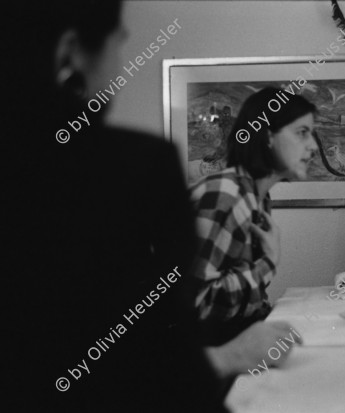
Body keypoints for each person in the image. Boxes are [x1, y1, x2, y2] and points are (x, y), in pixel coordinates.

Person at [2, 2, 299, 412]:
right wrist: (235, 350)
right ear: (70, 51)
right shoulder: (137, 167)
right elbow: (159, 351)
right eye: (118, 45)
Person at [189, 87, 318, 344]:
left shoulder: (256, 195)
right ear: (268, 136)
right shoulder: (225, 194)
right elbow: (197, 304)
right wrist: (267, 263)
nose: (313, 145)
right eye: (302, 133)